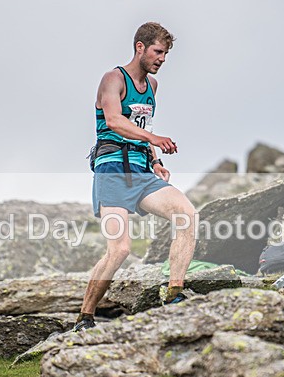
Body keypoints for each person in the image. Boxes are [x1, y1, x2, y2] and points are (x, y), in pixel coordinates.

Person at [73, 22, 197, 332]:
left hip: (142, 170)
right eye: (158, 51)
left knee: (187, 215)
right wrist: (154, 142)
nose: (162, 58)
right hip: (111, 169)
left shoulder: (152, 86)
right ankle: (85, 317)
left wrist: (155, 160)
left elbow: (147, 126)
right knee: (120, 249)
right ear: (140, 47)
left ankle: (173, 295)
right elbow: (114, 120)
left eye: (166, 53)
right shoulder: (113, 79)